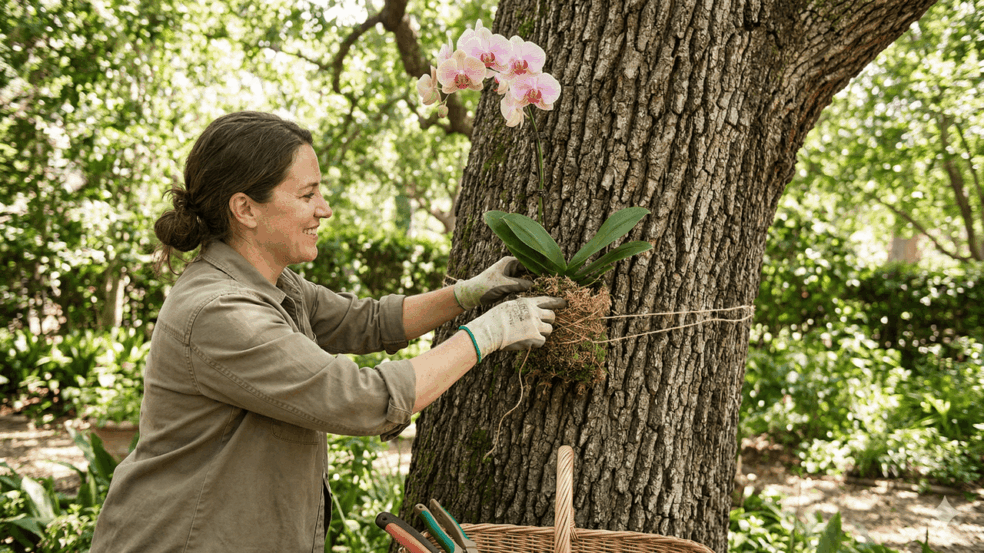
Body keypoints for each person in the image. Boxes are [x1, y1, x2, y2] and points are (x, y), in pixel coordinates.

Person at [89, 111, 564, 552]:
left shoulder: (275, 284)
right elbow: (361, 399)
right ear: (245, 208)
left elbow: (366, 321)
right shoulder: (221, 312)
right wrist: (489, 333)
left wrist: (468, 294)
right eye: (306, 194)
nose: (325, 209)